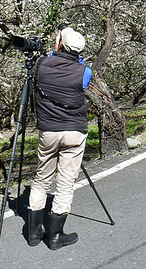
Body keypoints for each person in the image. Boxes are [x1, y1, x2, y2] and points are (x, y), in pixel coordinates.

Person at [28, 25, 93, 250]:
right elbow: (82, 75)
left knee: (41, 179)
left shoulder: (40, 66)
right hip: (74, 131)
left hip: (49, 131)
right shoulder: (84, 71)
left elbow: (39, 74)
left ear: (60, 44)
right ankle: (55, 236)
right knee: (65, 182)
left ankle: (34, 234)